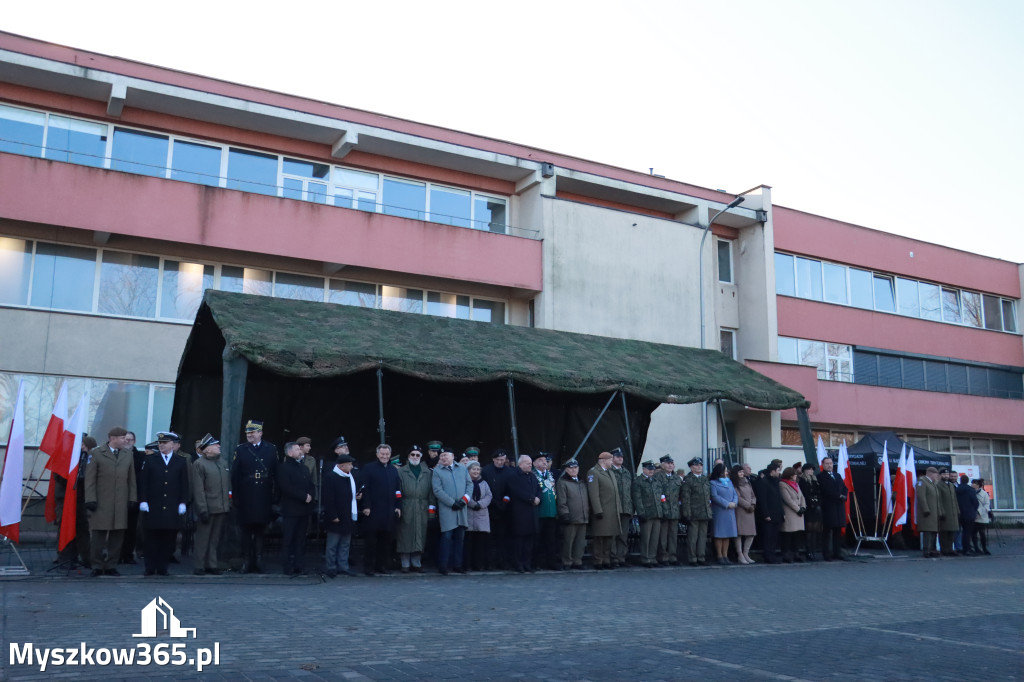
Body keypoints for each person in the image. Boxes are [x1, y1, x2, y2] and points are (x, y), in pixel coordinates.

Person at [84, 426, 136, 577]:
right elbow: (90, 479)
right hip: (102, 501)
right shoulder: (96, 454)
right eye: (122, 438)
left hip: (120, 502)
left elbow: (131, 479)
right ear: (112, 438)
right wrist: (90, 499)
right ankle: (97, 565)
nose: (125, 441)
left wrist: (132, 498)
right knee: (99, 536)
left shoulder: (127, 455)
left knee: (117, 535)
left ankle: (112, 565)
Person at [138, 431, 190, 576]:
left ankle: (162, 567)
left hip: (172, 505)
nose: (161, 445)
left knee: (167, 539)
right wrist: (143, 500)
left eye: (165, 443)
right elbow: (144, 483)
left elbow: (184, 484)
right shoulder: (150, 459)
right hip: (153, 505)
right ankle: (150, 567)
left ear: (173, 445)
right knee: (151, 538)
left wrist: (183, 502)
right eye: (160, 443)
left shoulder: (180, 461)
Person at [232, 419, 278, 574]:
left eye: (252, 432)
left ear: (260, 433)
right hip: (246, 494)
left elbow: (275, 473)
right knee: (246, 530)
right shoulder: (241, 449)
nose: (249, 435)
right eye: (247, 432)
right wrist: (236, 497)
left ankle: (258, 560)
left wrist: (275, 497)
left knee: (260, 529)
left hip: (263, 495)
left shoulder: (270, 449)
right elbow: (235, 475)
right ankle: (246, 561)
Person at [360, 443, 402, 575]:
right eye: (382, 454)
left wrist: (398, 506)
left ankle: (381, 565)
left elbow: (398, 491)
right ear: (377, 454)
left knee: (385, 541)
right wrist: (366, 506)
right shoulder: (369, 468)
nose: (385, 456)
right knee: (371, 541)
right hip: (373, 511)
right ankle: (369, 567)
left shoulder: (393, 470)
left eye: (387, 454)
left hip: (389, 511)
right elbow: (364, 488)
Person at [191, 433, 230, 575]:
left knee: (214, 539)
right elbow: (198, 489)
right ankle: (199, 565)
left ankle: (211, 564)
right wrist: (202, 509)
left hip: (221, 506)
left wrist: (228, 503)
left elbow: (227, 486)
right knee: (203, 538)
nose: (218, 446)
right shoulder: (199, 464)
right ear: (207, 449)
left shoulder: (222, 462)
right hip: (208, 507)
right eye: (215, 445)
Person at [431, 449, 472, 575]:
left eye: (445, 455)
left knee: (460, 537)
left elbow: (469, 485)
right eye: (441, 456)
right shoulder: (437, 471)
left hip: (462, 508)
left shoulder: (462, 469)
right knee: (447, 537)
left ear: (453, 456)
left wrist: (464, 500)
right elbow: (437, 490)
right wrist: (452, 503)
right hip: (447, 509)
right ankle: (443, 565)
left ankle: (457, 564)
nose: (443, 458)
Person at [277, 441, 315, 575]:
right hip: (291, 510)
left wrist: (310, 495)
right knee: (288, 539)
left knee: (300, 540)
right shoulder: (283, 468)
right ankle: (287, 567)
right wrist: (303, 496)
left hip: (304, 510)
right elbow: (286, 487)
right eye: (297, 449)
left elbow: (311, 484)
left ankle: (299, 565)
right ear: (290, 452)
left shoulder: (303, 468)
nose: (300, 451)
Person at [396, 445, 434, 573]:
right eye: (413, 454)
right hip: (407, 506)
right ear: (408, 456)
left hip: (422, 506)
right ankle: (405, 563)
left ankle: (416, 562)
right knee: (405, 534)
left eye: (418, 455)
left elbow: (431, 494)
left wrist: (431, 512)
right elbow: (397, 492)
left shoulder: (427, 472)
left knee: (420, 534)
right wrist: (399, 506)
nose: (415, 457)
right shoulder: (401, 471)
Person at [322, 453, 359, 577]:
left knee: (345, 543)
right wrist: (333, 515)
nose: (352, 467)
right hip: (337, 516)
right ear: (342, 466)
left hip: (348, 515)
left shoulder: (349, 477)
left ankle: (343, 566)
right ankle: (331, 567)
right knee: (333, 544)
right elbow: (328, 499)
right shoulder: (331, 477)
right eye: (349, 464)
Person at [507, 454, 542, 572]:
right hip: (520, 514)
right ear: (520, 464)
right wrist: (531, 499)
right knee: (519, 542)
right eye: (528, 463)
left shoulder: (532, 476)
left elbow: (539, 489)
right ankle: (518, 564)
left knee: (529, 543)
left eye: (531, 463)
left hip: (532, 514)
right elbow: (516, 491)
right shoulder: (513, 476)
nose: (530, 465)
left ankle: (527, 564)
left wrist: (538, 498)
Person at [587, 451, 622, 570]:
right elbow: (593, 494)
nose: (612, 462)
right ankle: (598, 560)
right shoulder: (594, 472)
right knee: (599, 538)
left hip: (612, 511)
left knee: (609, 537)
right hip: (602, 511)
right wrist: (597, 510)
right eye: (610, 460)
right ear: (603, 460)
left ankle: (606, 559)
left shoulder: (610, 472)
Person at [482, 449, 513, 570]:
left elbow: (511, 489)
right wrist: (494, 502)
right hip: (489, 508)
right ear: (493, 459)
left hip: (504, 509)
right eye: (498, 460)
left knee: (503, 538)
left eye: (503, 460)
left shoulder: (509, 472)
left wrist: (504, 502)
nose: (500, 462)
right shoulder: (486, 471)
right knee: (489, 538)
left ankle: (502, 561)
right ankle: (489, 562)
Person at [556, 459, 589, 570]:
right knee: (568, 542)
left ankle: (577, 561)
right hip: (570, 517)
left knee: (580, 542)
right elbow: (562, 500)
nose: (574, 470)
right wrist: (565, 514)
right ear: (566, 469)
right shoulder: (562, 482)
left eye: (575, 467)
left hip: (583, 516)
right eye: (571, 468)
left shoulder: (582, 482)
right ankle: (567, 561)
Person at [631, 461, 663, 567]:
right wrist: (641, 512)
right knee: (646, 538)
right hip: (646, 514)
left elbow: (661, 498)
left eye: (652, 469)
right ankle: (645, 558)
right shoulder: (638, 481)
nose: (651, 471)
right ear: (644, 469)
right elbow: (637, 498)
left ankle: (652, 558)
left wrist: (661, 511)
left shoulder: (656, 481)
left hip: (657, 513)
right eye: (649, 469)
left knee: (654, 537)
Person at [680, 457, 712, 566]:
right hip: (693, 513)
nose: (699, 467)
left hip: (704, 512)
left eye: (701, 465)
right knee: (693, 538)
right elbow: (686, 498)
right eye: (697, 465)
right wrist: (687, 513)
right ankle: (692, 558)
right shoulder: (688, 480)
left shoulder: (704, 479)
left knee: (702, 537)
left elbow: (708, 497)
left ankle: (701, 557)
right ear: (691, 467)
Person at [120, 431, 145, 565]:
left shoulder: (140, 457)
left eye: (130, 440)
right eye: (126, 439)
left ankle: (128, 554)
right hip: (119, 497)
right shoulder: (117, 455)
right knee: (118, 528)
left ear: (134, 441)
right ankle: (117, 555)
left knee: (131, 529)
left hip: (134, 497)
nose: (128, 442)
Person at [817, 456, 848, 561]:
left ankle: (837, 552)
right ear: (823, 465)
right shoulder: (820, 476)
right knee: (827, 531)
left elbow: (844, 487)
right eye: (827, 463)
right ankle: (826, 554)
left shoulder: (837, 475)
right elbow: (826, 490)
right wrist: (838, 496)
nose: (829, 465)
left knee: (838, 531)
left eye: (830, 463)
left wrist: (844, 495)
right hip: (829, 506)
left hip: (839, 506)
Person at [464, 461, 493, 571]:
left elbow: (489, 495)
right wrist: (472, 504)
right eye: (473, 469)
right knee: (468, 544)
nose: (476, 471)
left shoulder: (484, 483)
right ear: (468, 471)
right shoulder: (465, 482)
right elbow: (464, 494)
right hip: (469, 514)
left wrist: (479, 504)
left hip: (481, 515)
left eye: (477, 469)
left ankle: (478, 565)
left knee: (480, 544)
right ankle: (468, 565)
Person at [609, 447, 635, 568]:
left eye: (621, 457)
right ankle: (612, 558)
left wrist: (632, 508)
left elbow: (631, 491)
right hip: (614, 508)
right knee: (613, 535)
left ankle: (621, 557)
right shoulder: (609, 471)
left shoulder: (627, 472)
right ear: (612, 458)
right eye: (618, 456)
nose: (620, 458)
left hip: (626, 508)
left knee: (623, 536)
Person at [532, 453, 558, 570]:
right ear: (534, 463)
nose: (544, 462)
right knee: (537, 540)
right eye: (541, 460)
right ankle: (537, 563)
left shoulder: (550, 475)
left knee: (551, 540)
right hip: (539, 512)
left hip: (551, 512)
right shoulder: (533, 475)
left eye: (545, 460)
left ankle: (551, 563)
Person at [709, 462, 738, 565]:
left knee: (727, 534)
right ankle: (719, 555)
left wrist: (734, 502)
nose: (727, 472)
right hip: (720, 511)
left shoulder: (729, 482)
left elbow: (735, 494)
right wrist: (727, 504)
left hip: (730, 511)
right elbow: (714, 496)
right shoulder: (713, 483)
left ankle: (725, 555)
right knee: (719, 534)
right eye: (725, 471)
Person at [656, 455, 682, 566]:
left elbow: (681, 494)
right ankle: (663, 557)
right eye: (668, 463)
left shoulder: (676, 477)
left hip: (675, 510)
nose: (670, 465)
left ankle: (672, 556)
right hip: (663, 510)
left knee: (673, 535)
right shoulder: (658, 477)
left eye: (672, 463)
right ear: (662, 465)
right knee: (663, 536)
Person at [755, 462, 784, 564]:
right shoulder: (764, 481)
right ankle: (768, 556)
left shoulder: (775, 481)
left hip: (776, 514)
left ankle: (772, 554)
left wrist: (782, 512)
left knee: (774, 537)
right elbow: (763, 500)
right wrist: (766, 514)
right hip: (769, 515)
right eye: (778, 470)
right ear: (773, 471)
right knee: (768, 536)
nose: (779, 473)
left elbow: (778, 498)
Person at [779, 467, 807, 563]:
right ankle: (786, 554)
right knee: (788, 534)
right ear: (789, 475)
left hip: (799, 513)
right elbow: (787, 499)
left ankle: (796, 553)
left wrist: (803, 507)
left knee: (797, 534)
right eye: (794, 474)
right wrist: (798, 509)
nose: (796, 476)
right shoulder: (782, 484)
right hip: (790, 512)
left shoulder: (796, 484)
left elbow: (802, 496)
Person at [730, 464, 757, 564]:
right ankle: (740, 554)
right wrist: (747, 505)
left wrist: (753, 504)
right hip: (741, 510)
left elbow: (753, 495)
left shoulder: (747, 482)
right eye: (740, 472)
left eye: (742, 472)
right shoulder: (734, 483)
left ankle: (746, 553)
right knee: (739, 533)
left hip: (750, 510)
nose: (742, 473)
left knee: (751, 533)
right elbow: (738, 497)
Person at [295, 436, 320, 537]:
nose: (310, 448)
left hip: (308, 495)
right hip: (295, 494)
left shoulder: (311, 460)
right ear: (300, 447)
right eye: (307, 445)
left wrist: (315, 497)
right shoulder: (290, 457)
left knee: (306, 523)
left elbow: (314, 479)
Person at [798, 463, 823, 561]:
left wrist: (817, 501)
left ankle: (813, 550)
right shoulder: (802, 481)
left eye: (812, 470)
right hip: (808, 507)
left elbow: (819, 492)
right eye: (809, 469)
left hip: (816, 507)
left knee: (815, 531)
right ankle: (808, 551)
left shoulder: (815, 480)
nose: (811, 471)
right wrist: (811, 501)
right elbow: (804, 494)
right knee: (809, 530)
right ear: (804, 470)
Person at [915, 466, 940, 558]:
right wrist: (925, 509)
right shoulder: (922, 481)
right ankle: (927, 550)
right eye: (936, 474)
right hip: (927, 512)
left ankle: (933, 550)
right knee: (928, 532)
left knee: (933, 532)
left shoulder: (932, 483)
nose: (937, 476)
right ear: (930, 473)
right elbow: (921, 497)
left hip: (933, 512)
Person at [936, 468, 960, 556]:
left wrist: (957, 510)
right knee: (944, 532)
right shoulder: (938, 485)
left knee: (952, 532)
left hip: (953, 512)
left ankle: (950, 549)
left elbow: (955, 499)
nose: (946, 476)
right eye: (944, 474)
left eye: (947, 474)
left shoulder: (951, 485)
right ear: (940, 475)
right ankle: (944, 549)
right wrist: (941, 511)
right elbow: (939, 500)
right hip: (945, 512)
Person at [955, 474, 979, 556]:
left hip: (958, 513)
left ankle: (960, 547)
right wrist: (974, 510)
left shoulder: (957, 489)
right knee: (967, 532)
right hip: (969, 513)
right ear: (968, 481)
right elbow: (975, 502)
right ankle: (967, 549)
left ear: (960, 480)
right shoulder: (970, 490)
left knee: (959, 532)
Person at [972, 479, 991, 555]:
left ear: (978, 485)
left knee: (982, 533)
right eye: (972, 483)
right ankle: (976, 548)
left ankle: (984, 548)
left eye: (974, 483)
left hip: (982, 516)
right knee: (973, 534)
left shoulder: (984, 494)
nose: (973, 484)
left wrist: (979, 512)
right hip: (973, 516)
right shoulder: (971, 492)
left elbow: (987, 505)